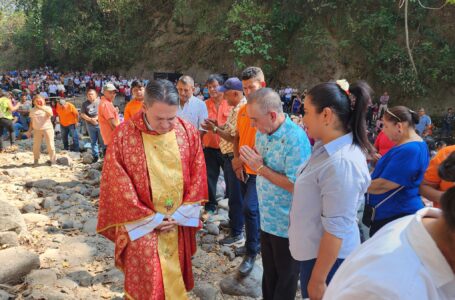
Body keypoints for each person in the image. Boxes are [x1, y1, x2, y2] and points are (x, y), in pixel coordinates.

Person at [97, 79, 208, 300]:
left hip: (177, 221)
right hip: (142, 223)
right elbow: (117, 183)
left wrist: (181, 213)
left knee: (175, 278)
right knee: (148, 282)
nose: (167, 125)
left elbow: (198, 172)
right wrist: (153, 218)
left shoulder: (187, 131)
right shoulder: (124, 135)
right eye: (159, 118)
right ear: (144, 107)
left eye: (171, 117)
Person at [324, 153, 455, 300]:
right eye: (385, 127)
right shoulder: (392, 290)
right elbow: (385, 184)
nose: (385, 130)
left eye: (386, 127)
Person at [289, 80, 373, 300]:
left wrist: (318, 280)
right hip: (315, 253)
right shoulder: (325, 147)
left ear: (326, 115)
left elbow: (336, 229)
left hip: (328, 261)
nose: (302, 119)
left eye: (306, 112)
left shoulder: (341, 163)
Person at [240, 88, 311, 299]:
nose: (252, 125)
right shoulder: (263, 132)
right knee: (269, 275)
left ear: (272, 115)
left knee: (286, 278)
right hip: (268, 218)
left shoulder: (295, 139)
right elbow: (261, 162)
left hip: (288, 223)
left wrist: (259, 168)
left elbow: (298, 186)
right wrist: (254, 161)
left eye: (254, 120)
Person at [366, 106, 429, 236]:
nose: (383, 131)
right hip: (394, 211)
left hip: (395, 213)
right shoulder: (414, 144)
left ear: (399, 126)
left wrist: (354, 184)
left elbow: (384, 185)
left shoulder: (410, 149)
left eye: (386, 126)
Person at [231, 66, 265, 276]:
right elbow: (236, 136)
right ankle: (254, 242)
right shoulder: (243, 110)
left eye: (251, 87)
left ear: (262, 85)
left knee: (250, 209)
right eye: (245, 88)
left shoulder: (270, 110)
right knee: (248, 209)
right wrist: (236, 159)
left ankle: (252, 251)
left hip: (260, 171)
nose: (248, 92)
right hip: (242, 167)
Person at [205, 77, 246, 247]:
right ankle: (234, 223)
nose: (224, 96)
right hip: (228, 155)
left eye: (226, 94)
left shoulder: (240, 108)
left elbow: (232, 136)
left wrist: (214, 129)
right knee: (234, 196)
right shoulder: (236, 107)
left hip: (233, 157)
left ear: (235, 93)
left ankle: (237, 233)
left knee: (235, 196)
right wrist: (217, 125)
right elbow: (228, 130)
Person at [200, 74, 231, 214]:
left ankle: (230, 202)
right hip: (209, 148)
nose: (212, 89)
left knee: (230, 177)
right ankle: (211, 205)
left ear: (222, 87)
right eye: (209, 87)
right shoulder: (204, 105)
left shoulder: (230, 103)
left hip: (227, 148)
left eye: (215, 86)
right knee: (209, 177)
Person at [25, 95, 56, 166]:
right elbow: (31, 122)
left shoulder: (47, 108)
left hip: (47, 129)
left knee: (50, 145)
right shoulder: (32, 110)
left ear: (43, 101)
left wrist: (41, 108)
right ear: (34, 102)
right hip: (36, 130)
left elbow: (50, 114)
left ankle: (53, 160)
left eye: (40, 101)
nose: (39, 102)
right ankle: (36, 160)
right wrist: (29, 131)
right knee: (36, 146)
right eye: (37, 101)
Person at [80, 89, 104, 162]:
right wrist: (91, 120)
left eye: (92, 94)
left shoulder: (100, 102)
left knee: (103, 141)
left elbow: (103, 113)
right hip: (90, 125)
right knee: (93, 141)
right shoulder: (84, 104)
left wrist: (95, 119)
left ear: (96, 95)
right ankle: (96, 156)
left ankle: (104, 156)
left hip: (100, 124)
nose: (90, 95)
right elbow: (82, 114)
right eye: (89, 94)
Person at [98, 83, 119, 152]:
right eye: (110, 92)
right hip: (112, 138)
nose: (113, 95)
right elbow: (112, 124)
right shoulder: (106, 104)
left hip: (109, 138)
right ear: (104, 92)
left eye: (114, 93)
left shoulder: (106, 102)